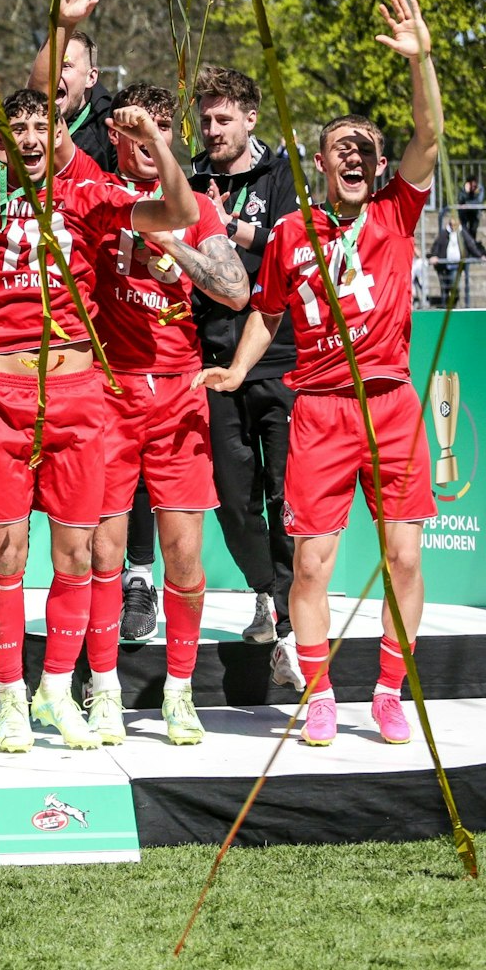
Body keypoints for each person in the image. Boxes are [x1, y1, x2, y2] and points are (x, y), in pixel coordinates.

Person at [0, 80, 199, 753]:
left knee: (76, 553)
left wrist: (148, 138)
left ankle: (58, 687)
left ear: (59, 135)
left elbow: (179, 207)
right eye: (15, 130)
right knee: (5, 553)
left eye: (42, 128)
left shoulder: (87, 197)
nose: (30, 140)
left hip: (76, 393)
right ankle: (9, 700)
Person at [201, 0, 444, 748]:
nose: (355, 155)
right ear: (318, 161)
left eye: (367, 147)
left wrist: (421, 60)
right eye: (341, 145)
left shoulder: (396, 211)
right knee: (310, 567)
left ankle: (389, 690)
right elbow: (266, 312)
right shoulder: (290, 233)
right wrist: (240, 371)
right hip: (322, 410)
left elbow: (429, 136)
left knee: (404, 556)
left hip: (392, 405)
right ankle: (318, 691)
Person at [83, 82, 250, 746]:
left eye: (160, 128)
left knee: (184, 553)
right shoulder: (98, 193)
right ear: (117, 140)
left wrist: (175, 252)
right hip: (109, 388)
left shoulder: (197, 205)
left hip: (179, 390)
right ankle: (101, 689)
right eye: (135, 130)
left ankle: (179, 692)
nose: (149, 142)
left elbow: (235, 292)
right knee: (104, 550)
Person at [189, 65, 302, 655]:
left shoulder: (283, 175)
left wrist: (226, 226)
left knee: (284, 496)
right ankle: (267, 592)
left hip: (281, 357)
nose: (212, 128)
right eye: (205, 118)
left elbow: (288, 243)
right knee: (234, 502)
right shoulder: (188, 179)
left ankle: (285, 614)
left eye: (223, 118)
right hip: (213, 362)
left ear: (250, 117)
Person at [29, 0, 117, 170]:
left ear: (91, 77)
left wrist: (65, 24)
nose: (56, 73)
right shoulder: (21, 120)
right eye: (54, 64)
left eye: (65, 66)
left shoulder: (112, 128)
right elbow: (37, 99)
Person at [430, 210, 481, 307]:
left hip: (456, 266)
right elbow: (437, 246)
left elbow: (471, 245)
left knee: (453, 285)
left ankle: (453, 304)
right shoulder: (444, 233)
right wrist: (434, 256)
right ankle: (445, 306)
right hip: (444, 266)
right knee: (444, 287)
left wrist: (480, 255)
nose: (453, 227)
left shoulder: (462, 233)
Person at [457, 173, 483, 240]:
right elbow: (460, 200)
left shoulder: (479, 189)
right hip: (465, 213)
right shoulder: (464, 189)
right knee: (464, 230)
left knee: (473, 230)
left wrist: (467, 203)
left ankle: (472, 244)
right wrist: (466, 192)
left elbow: (478, 201)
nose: (473, 187)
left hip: (475, 213)